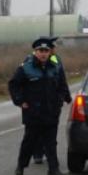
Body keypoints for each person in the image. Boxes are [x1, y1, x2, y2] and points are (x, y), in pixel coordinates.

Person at [9, 37, 72, 175]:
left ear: (50, 52)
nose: (43, 54)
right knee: (29, 141)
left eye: (46, 51)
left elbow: (62, 85)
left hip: (51, 111)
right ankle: (21, 166)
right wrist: (20, 101)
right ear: (35, 52)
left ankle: (53, 170)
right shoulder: (26, 67)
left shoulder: (55, 67)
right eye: (40, 51)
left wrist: (61, 99)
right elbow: (14, 85)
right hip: (33, 112)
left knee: (51, 142)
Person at [32, 36, 64, 165]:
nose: (54, 49)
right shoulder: (33, 60)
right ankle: (39, 153)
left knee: (50, 130)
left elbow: (61, 79)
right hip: (39, 103)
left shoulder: (54, 59)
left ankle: (49, 155)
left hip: (53, 102)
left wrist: (62, 97)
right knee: (39, 130)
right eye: (53, 46)